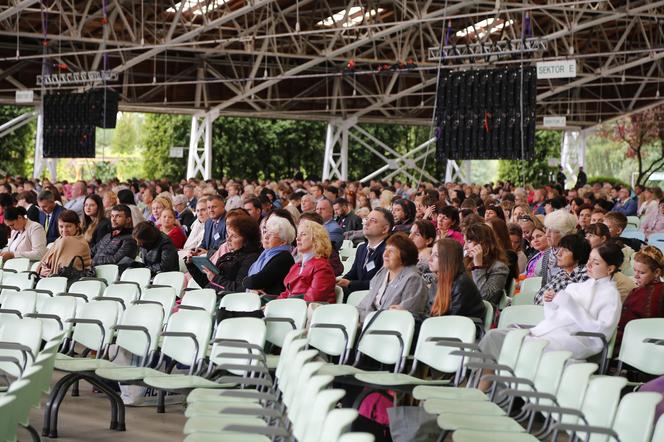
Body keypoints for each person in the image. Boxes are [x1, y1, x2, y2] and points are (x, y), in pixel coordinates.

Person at [480, 242, 624, 364]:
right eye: (590, 260)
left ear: (610, 269)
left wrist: (571, 305)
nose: (589, 265)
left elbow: (600, 334)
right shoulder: (579, 286)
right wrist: (550, 303)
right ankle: (485, 385)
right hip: (552, 333)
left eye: (596, 262)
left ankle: (501, 391)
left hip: (576, 341)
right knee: (494, 336)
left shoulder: (611, 296)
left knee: (515, 345)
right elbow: (552, 318)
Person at [356, 232, 428, 321]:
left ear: (404, 256)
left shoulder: (413, 279)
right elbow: (365, 305)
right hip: (371, 323)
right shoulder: (382, 273)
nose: (385, 254)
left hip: (392, 328)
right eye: (386, 250)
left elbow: (408, 316)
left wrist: (368, 318)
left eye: (391, 252)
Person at [187, 214, 262, 293]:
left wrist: (215, 278)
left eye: (234, 236)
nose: (228, 239)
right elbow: (207, 284)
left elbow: (240, 289)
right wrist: (192, 264)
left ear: (247, 240)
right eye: (228, 234)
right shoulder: (228, 256)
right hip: (212, 297)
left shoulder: (251, 259)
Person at [419, 239, 485, 321]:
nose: (430, 259)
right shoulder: (437, 280)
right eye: (431, 253)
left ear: (448, 259)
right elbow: (429, 312)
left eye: (436, 255)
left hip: (461, 330)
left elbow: (452, 321)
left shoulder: (462, 284)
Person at [615, 246, 663, 349]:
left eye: (641, 273)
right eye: (635, 271)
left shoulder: (651, 293)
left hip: (635, 346)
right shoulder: (638, 290)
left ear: (657, 272)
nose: (636, 276)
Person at [337, 208, 393, 298]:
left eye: (373, 220)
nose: (366, 223)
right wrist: (341, 280)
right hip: (356, 295)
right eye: (366, 219)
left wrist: (350, 284)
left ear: (385, 229)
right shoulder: (362, 248)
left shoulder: (388, 251)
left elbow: (382, 282)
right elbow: (353, 273)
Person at [278, 219, 336, 303]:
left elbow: (313, 299)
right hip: (292, 309)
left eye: (303, 234)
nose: (297, 238)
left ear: (316, 239)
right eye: (298, 235)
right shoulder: (297, 266)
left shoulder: (322, 267)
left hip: (308, 313)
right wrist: (272, 305)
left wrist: (282, 307)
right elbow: (287, 294)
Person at [242, 215, 296, 296]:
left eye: (271, 234)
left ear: (283, 241)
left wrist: (246, 282)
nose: (266, 236)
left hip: (273, 303)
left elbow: (256, 281)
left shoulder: (284, 258)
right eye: (266, 232)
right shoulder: (265, 254)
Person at [534, 234, 591, 305]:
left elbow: (581, 302)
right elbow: (537, 298)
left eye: (565, 250)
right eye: (559, 249)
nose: (558, 254)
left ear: (579, 255)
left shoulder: (585, 273)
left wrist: (557, 298)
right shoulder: (561, 273)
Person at [464, 222, 510, 305]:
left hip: (480, 314)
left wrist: (478, 267)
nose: (465, 246)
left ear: (482, 243)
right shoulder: (465, 262)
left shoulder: (499, 267)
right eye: (465, 242)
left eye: (469, 241)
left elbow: (484, 297)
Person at [37, 210, 92, 277]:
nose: (64, 230)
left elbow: (62, 269)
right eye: (61, 226)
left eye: (68, 226)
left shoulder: (79, 243)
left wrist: (48, 272)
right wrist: (42, 270)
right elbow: (44, 262)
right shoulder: (59, 240)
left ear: (77, 226)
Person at [536, 210, 578, 286]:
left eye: (551, 231)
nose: (546, 235)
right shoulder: (548, 253)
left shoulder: (574, 254)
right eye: (546, 229)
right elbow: (543, 283)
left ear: (564, 234)